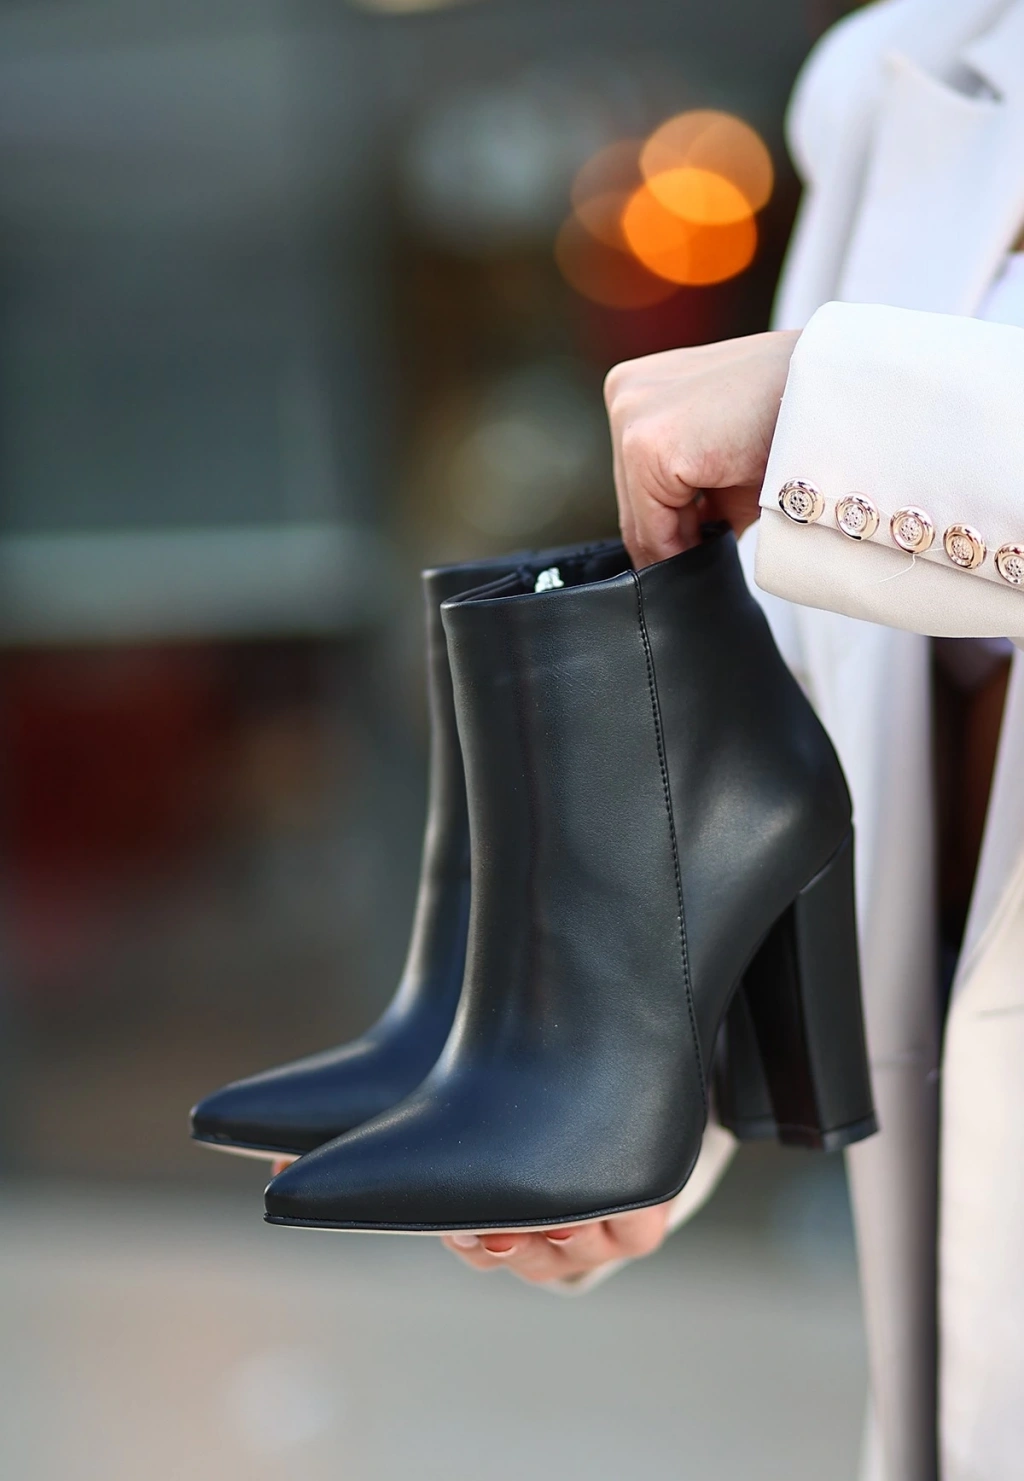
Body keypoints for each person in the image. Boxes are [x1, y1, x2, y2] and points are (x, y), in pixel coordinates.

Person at [442, 3, 1024, 1478]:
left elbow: (853, 465)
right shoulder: (908, 81)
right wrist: (668, 1079)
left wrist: (859, 424)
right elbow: (833, 695)